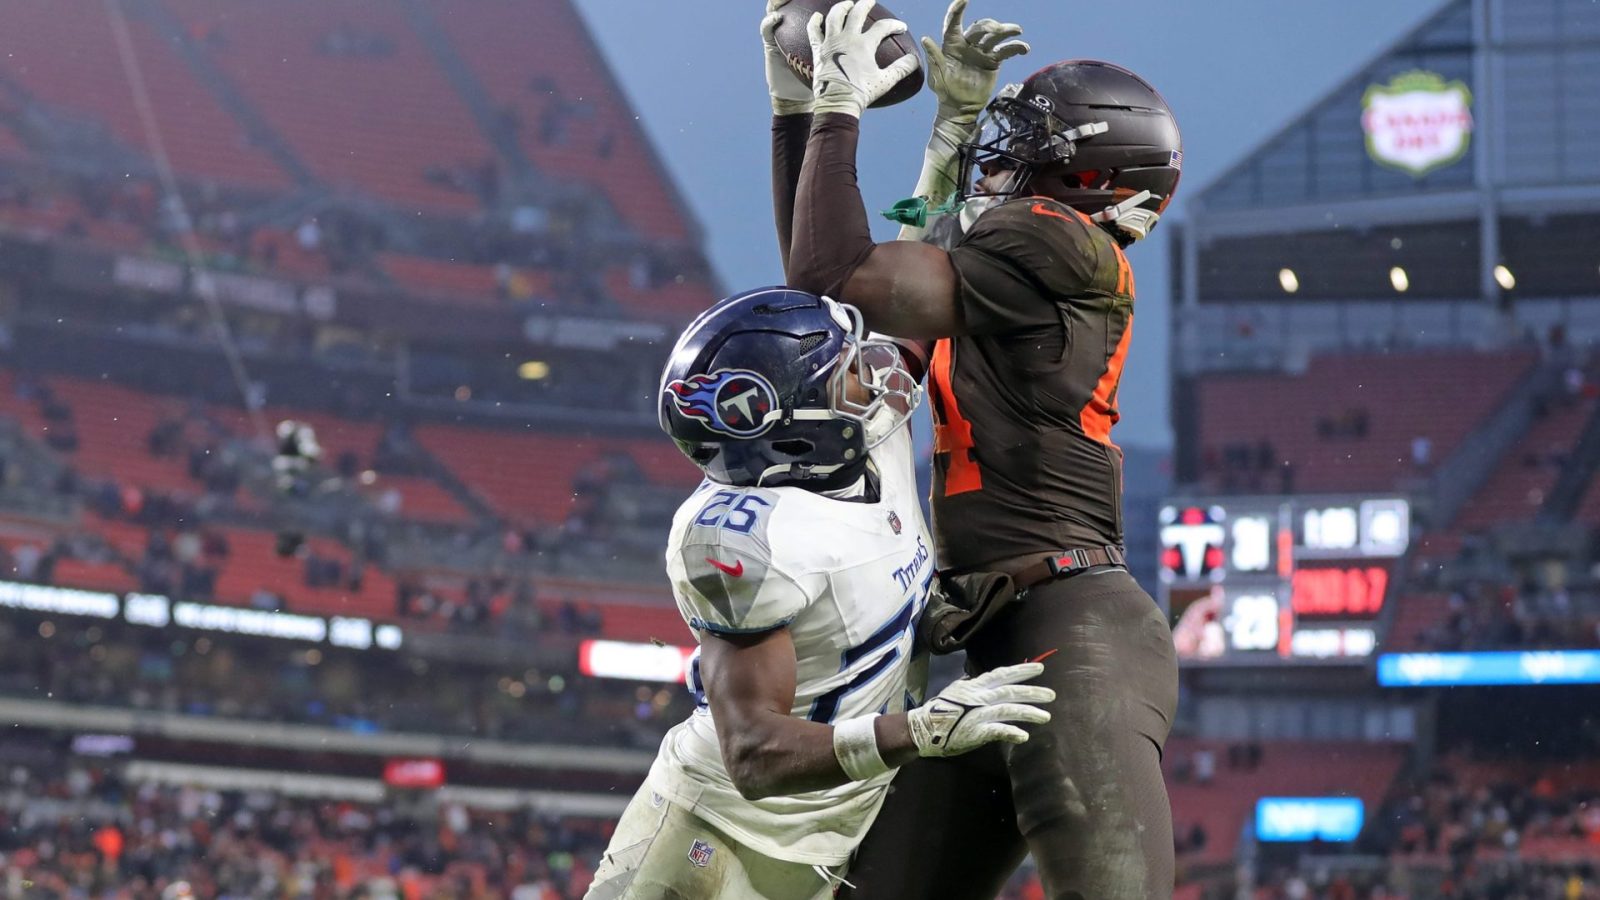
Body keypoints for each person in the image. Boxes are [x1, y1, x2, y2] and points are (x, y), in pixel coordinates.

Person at [769, 1, 1185, 896]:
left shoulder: (1064, 246)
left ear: (1085, 178)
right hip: (999, 643)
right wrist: (795, 111)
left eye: (1021, 147)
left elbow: (836, 271)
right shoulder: (1011, 277)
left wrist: (837, 104)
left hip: (1074, 636)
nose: (996, 164)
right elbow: (828, 309)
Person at [584, 286, 1053, 900]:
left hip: (833, 840)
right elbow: (753, 754)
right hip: (714, 836)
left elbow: (907, 304)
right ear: (796, 427)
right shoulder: (746, 540)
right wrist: (918, 731)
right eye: (847, 373)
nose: (873, 374)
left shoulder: (866, 436)